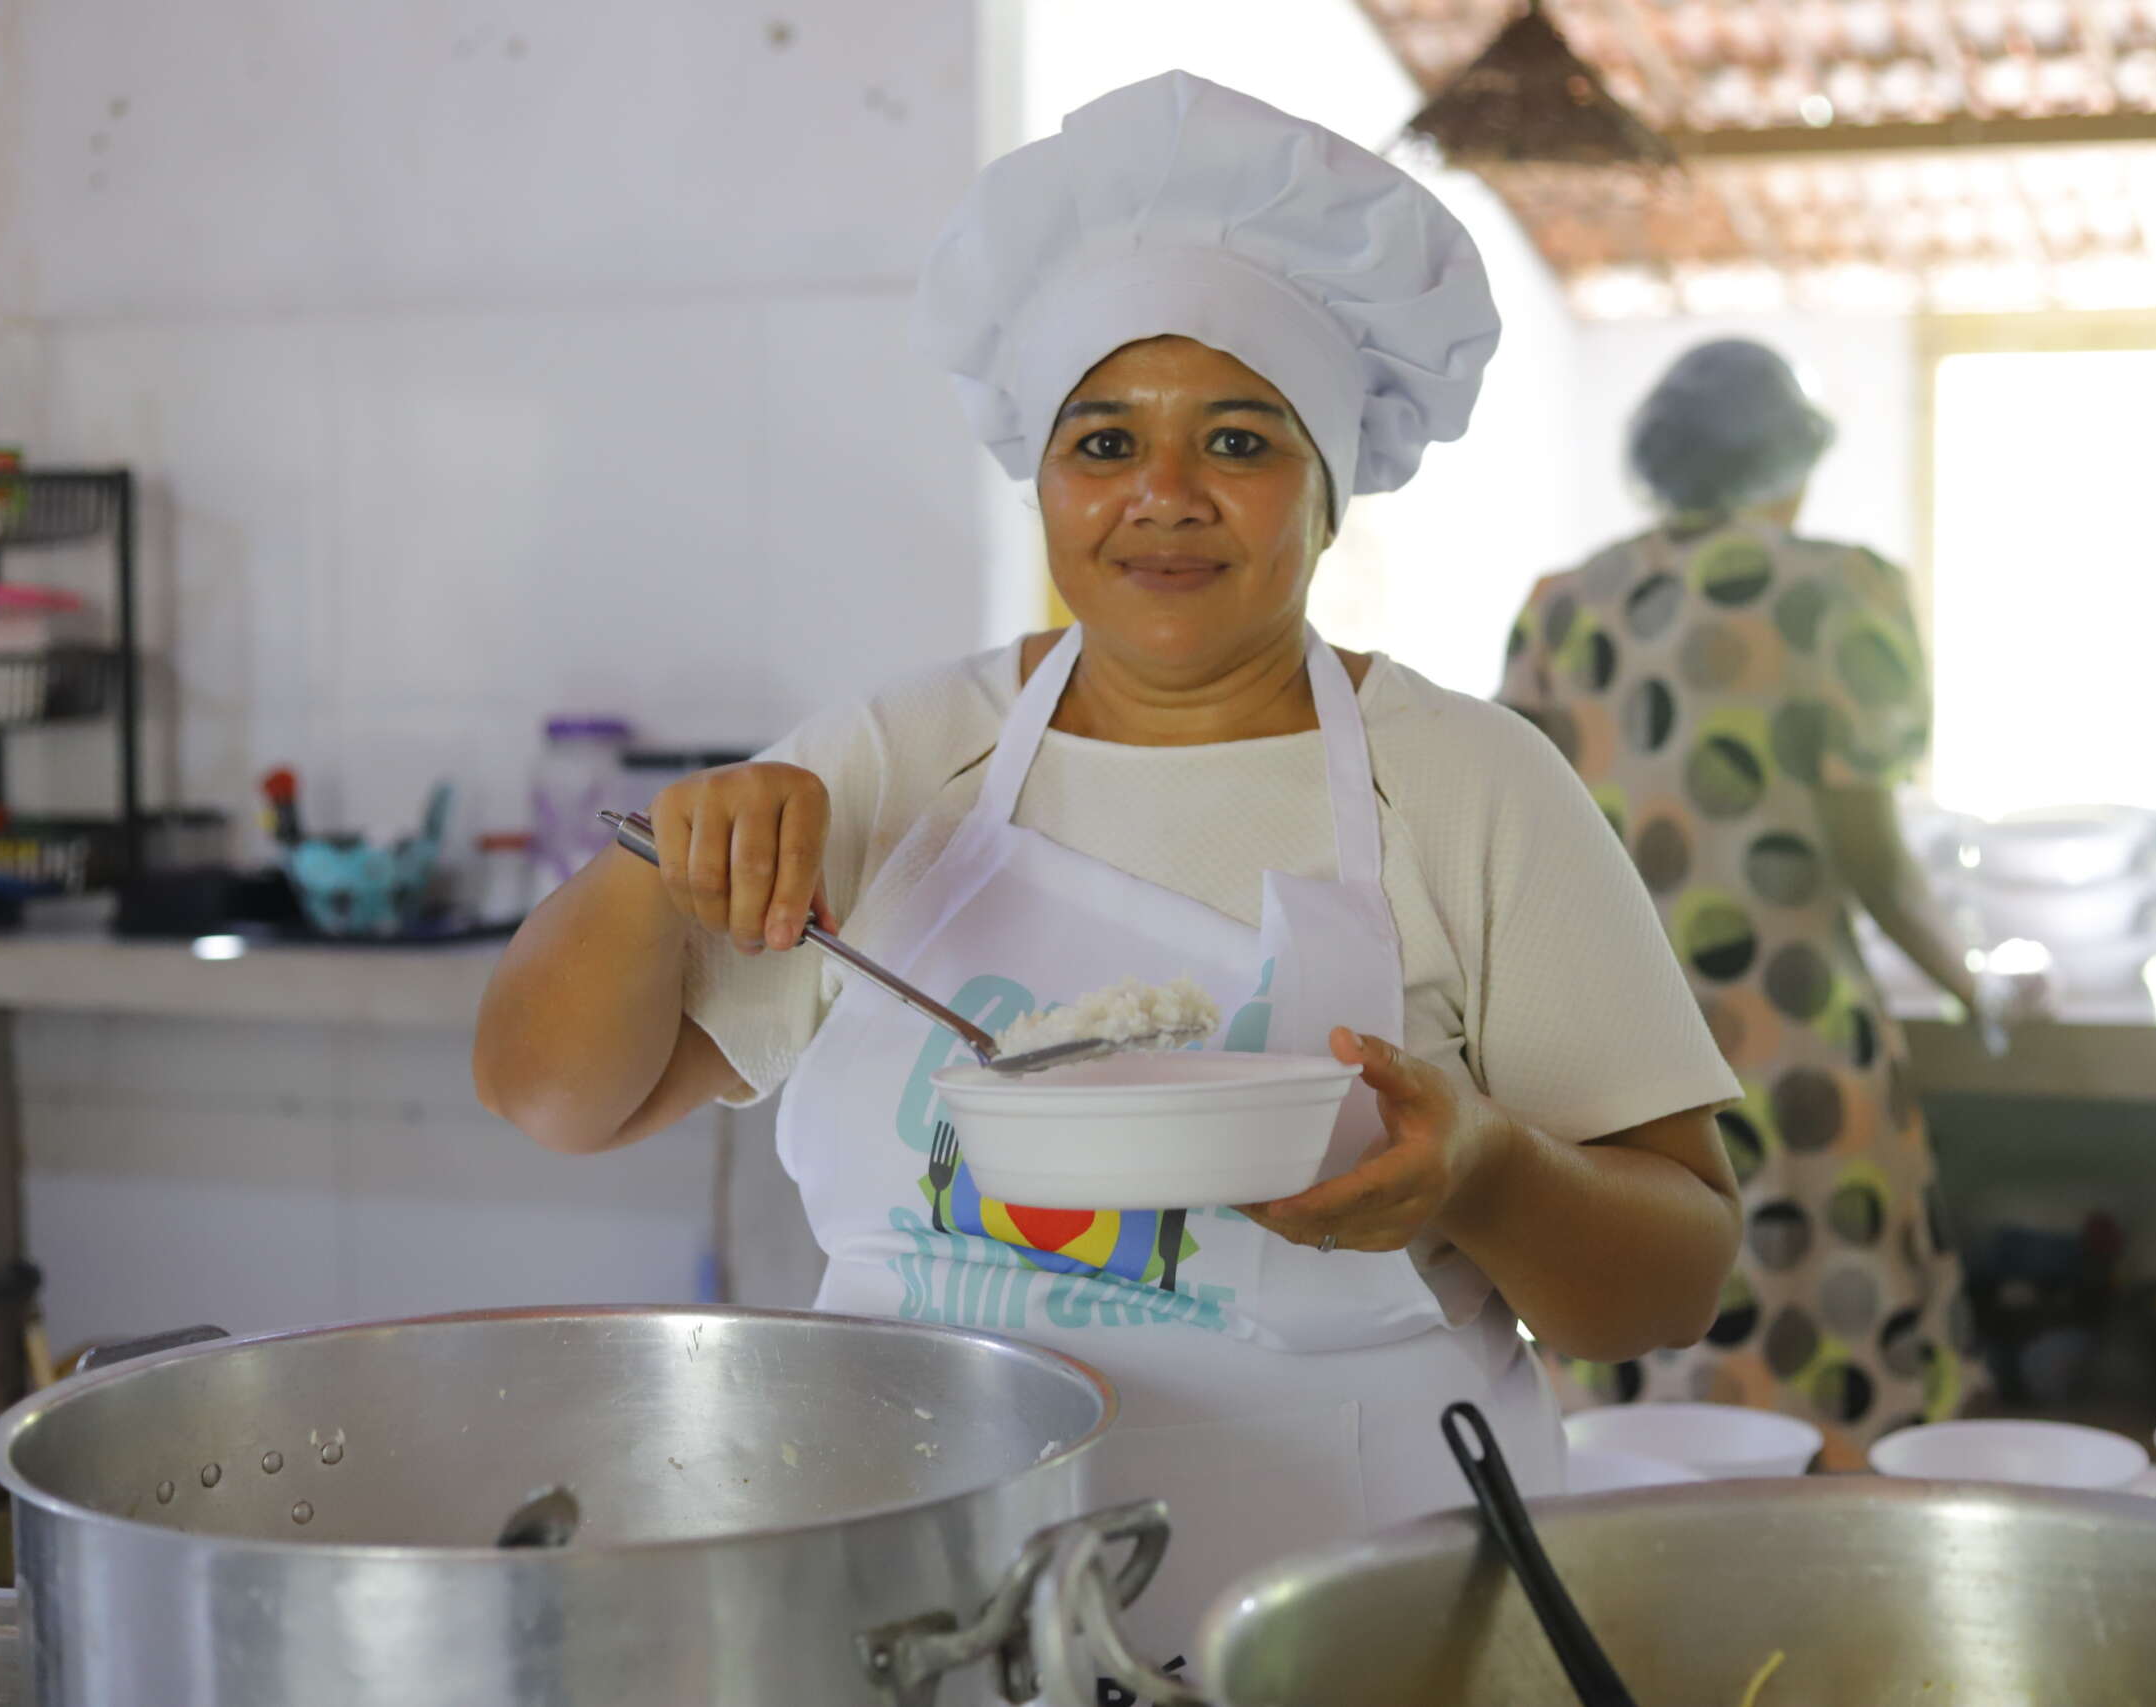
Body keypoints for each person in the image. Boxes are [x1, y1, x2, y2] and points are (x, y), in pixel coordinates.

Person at [473, 71, 1741, 1670]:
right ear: (1045, 477)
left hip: (1358, 1616)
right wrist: (666, 863)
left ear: (1325, 486)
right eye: (1103, 437)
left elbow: (1671, 1279)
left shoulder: (1473, 783)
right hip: (921, 1604)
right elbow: (549, 1095)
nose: (1163, 493)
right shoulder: (896, 750)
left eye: (1237, 437)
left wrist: (1485, 1168)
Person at [1500, 339, 1982, 1468]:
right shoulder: (1839, 589)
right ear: (1793, 465)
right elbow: (1871, 849)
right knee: (1827, 1353)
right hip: (1795, 1039)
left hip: (1614, 1048)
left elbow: (1517, 841)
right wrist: (1971, 980)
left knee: (1639, 1369)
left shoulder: (1563, 608)